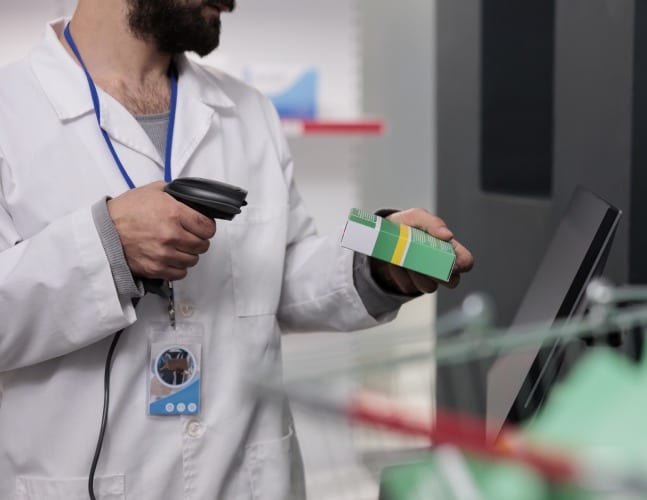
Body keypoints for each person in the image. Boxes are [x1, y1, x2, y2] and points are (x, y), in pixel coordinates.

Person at [0, 0, 474, 498]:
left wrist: (375, 265)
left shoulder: (247, 109)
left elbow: (277, 271)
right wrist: (106, 247)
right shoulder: (12, 114)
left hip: (246, 479)